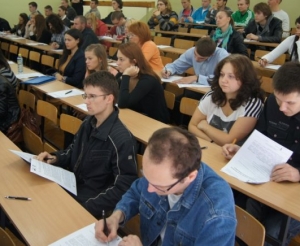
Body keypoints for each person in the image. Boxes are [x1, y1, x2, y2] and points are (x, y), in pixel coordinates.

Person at [95, 127, 236, 246]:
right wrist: (116, 217)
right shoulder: (160, 175)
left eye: (159, 186)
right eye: (146, 176)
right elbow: (136, 192)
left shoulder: (217, 215)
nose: (149, 189)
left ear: (190, 177)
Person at [37, 71, 138, 219]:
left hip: (90, 201)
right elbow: (73, 151)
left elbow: (122, 186)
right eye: (86, 95)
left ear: (109, 98)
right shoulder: (88, 123)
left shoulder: (122, 139)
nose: (86, 101)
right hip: (73, 186)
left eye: (92, 96)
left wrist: (86, 207)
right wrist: (55, 158)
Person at [222, 62, 300, 245]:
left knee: (271, 232)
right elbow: (261, 135)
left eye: (290, 102)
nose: (281, 108)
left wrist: (298, 173)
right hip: (269, 179)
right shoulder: (273, 102)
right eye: (279, 100)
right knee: (239, 213)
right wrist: (243, 149)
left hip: (294, 195)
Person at [189, 54, 263, 145]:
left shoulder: (252, 103)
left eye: (230, 76)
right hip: (210, 149)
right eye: (222, 75)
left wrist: (205, 126)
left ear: (245, 78)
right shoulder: (211, 95)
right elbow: (192, 126)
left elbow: (229, 141)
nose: (224, 80)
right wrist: (212, 142)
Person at [117, 42, 170, 123]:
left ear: (134, 62)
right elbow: (110, 92)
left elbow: (122, 103)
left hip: (155, 122)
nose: (117, 63)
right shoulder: (123, 73)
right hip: (136, 116)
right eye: (117, 59)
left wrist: (125, 77)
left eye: (121, 59)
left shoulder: (148, 80)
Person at [162, 37, 228, 85]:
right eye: (195, 54)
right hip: (198, 87)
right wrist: (168, 71)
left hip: (216, 90)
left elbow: (222, 78)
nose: (196, 59)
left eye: (201, 58)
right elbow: (176, 65)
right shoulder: (192, 51)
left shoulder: (222, 55)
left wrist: (197, 78)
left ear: (212, 54)